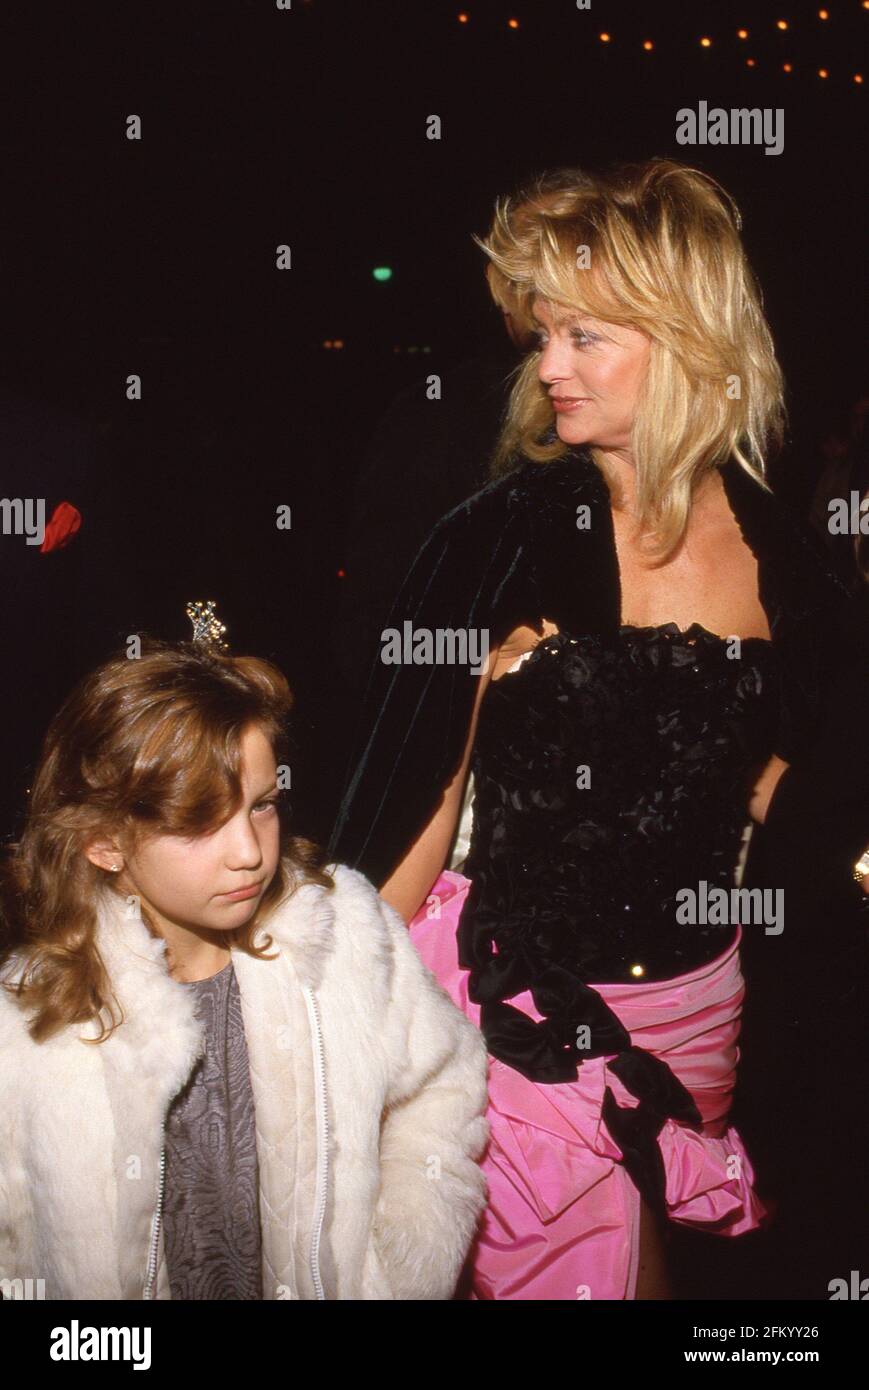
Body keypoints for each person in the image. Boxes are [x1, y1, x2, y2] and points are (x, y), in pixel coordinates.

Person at [328, 159, 869, 1300]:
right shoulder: (497, 538)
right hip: (519, 1001)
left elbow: (790, 788)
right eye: (543, 337)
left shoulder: (793, 564)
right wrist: (327, 995)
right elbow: (414, 790)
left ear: (683, 340)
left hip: (696, 1007)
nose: (548, 365)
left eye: (583, 336)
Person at [0, 611, 489, 1300]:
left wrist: (396, 1268)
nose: (249, 853)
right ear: (103, 841)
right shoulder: (27, 1022)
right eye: (200, 823)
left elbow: (443, 1088)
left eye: (262, 805)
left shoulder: (345, 937)